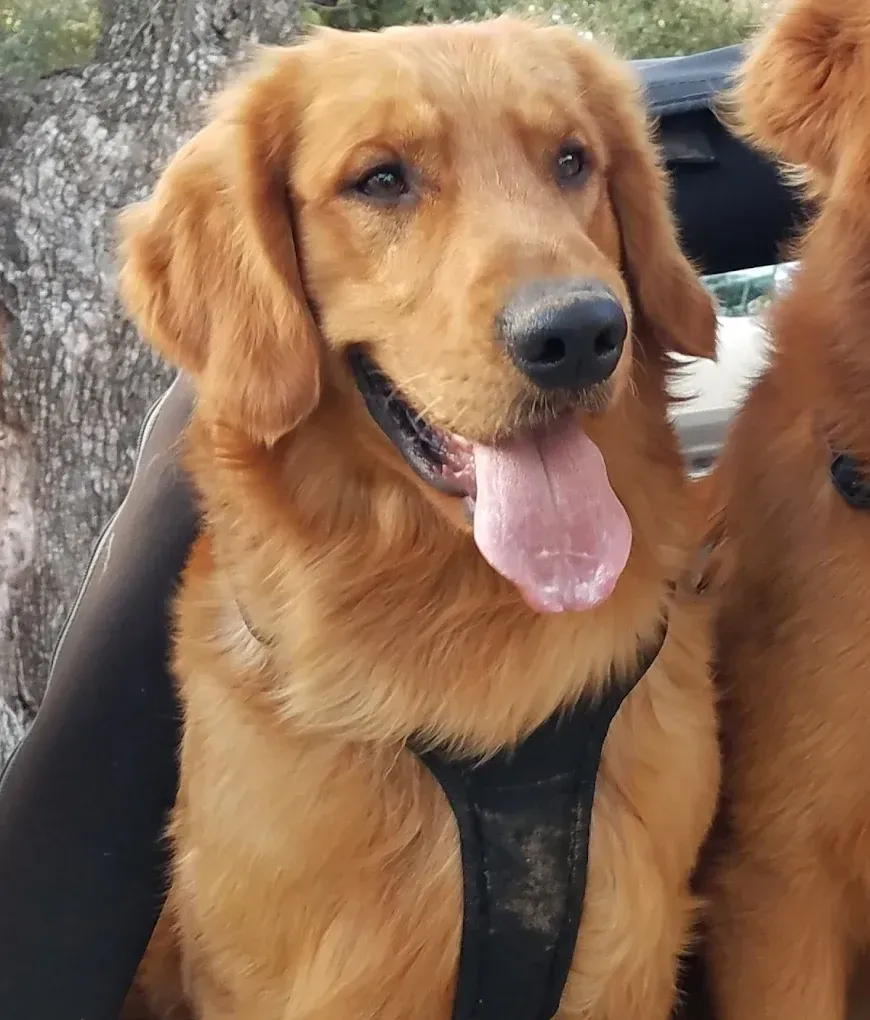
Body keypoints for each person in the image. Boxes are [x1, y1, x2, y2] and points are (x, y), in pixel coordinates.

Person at [0, 45, 800, 1020]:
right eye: (384, 180)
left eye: (567, 166)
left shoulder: (666, 670)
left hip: (626, 669)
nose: (567, 307)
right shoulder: (250, 701)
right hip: (300, 699)